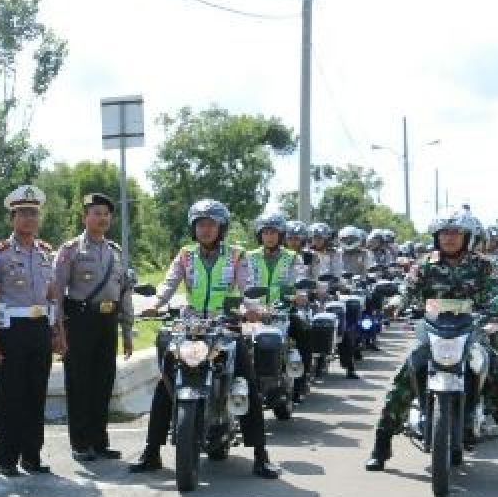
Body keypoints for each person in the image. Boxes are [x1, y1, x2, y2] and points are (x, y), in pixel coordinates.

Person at [364, 211, 498, 479]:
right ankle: (381, 445)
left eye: (455, 233)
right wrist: (395, 304)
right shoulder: (425, 265)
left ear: (467, 237)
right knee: (405, 377)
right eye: (444, 233)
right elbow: (406, 290)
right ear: (436, 237)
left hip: (471, 330)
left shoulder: (483, 265)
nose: (449, 238)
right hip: (431, 329)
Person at [132, 199, 280, 479]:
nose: (205, 229)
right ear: (193, 228)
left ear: (221, 227)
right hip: (189, 326)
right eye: (200, 224)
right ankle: (151, 452)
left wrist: (254, 311)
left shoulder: (237, 255)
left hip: (225, 326)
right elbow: (168, 283)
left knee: (246, 382)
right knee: (165, 382)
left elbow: (248, 288)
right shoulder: (185, 255)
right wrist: (156, 303)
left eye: (211, 224)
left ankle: (261, 455)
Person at [0, 184, 62, 477]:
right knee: (10, 396)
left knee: (35, 394)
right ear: (12, 218)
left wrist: (58, 331)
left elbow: (52, 294)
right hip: (10, 330)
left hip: (39, 328)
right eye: (23, 214)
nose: (29, 219)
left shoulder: (44, 253)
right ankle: (7, 458)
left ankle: (32, 456)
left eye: (33, 214)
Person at [53, 192, 134, 462]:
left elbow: (124, 293)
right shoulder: (71, 250)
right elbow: (56, 292)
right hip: (80, 321)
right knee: (79, 381)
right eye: (96, 213)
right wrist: (59, 332)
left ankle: (100, 441)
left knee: (103, 381)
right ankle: (80, 442)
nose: (102, 218)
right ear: (85, 217)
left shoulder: (115, 251)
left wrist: (127, 332)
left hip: (108, 321)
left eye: (106, 214)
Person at [247, 212, 310, 399]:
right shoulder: (249, 257)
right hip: (254, 312)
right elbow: (240, 282)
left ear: (281, 235)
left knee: (303, 328)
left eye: (273, 233)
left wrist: (300, 295)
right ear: (259, 235)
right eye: (265, 233)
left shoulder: (292, 257)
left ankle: (301, 379)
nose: (269, 237)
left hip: (283, 310)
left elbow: (299, 278)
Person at [309, 222, 358, 379]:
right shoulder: (306, 253)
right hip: (311, 294)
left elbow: (338, 272)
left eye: (320, 238)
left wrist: (340, 285)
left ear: (327, 239)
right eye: (315, 237)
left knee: (343, 322)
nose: (317, 240)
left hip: (330, 293)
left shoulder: (335, 254)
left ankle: (349, 365)